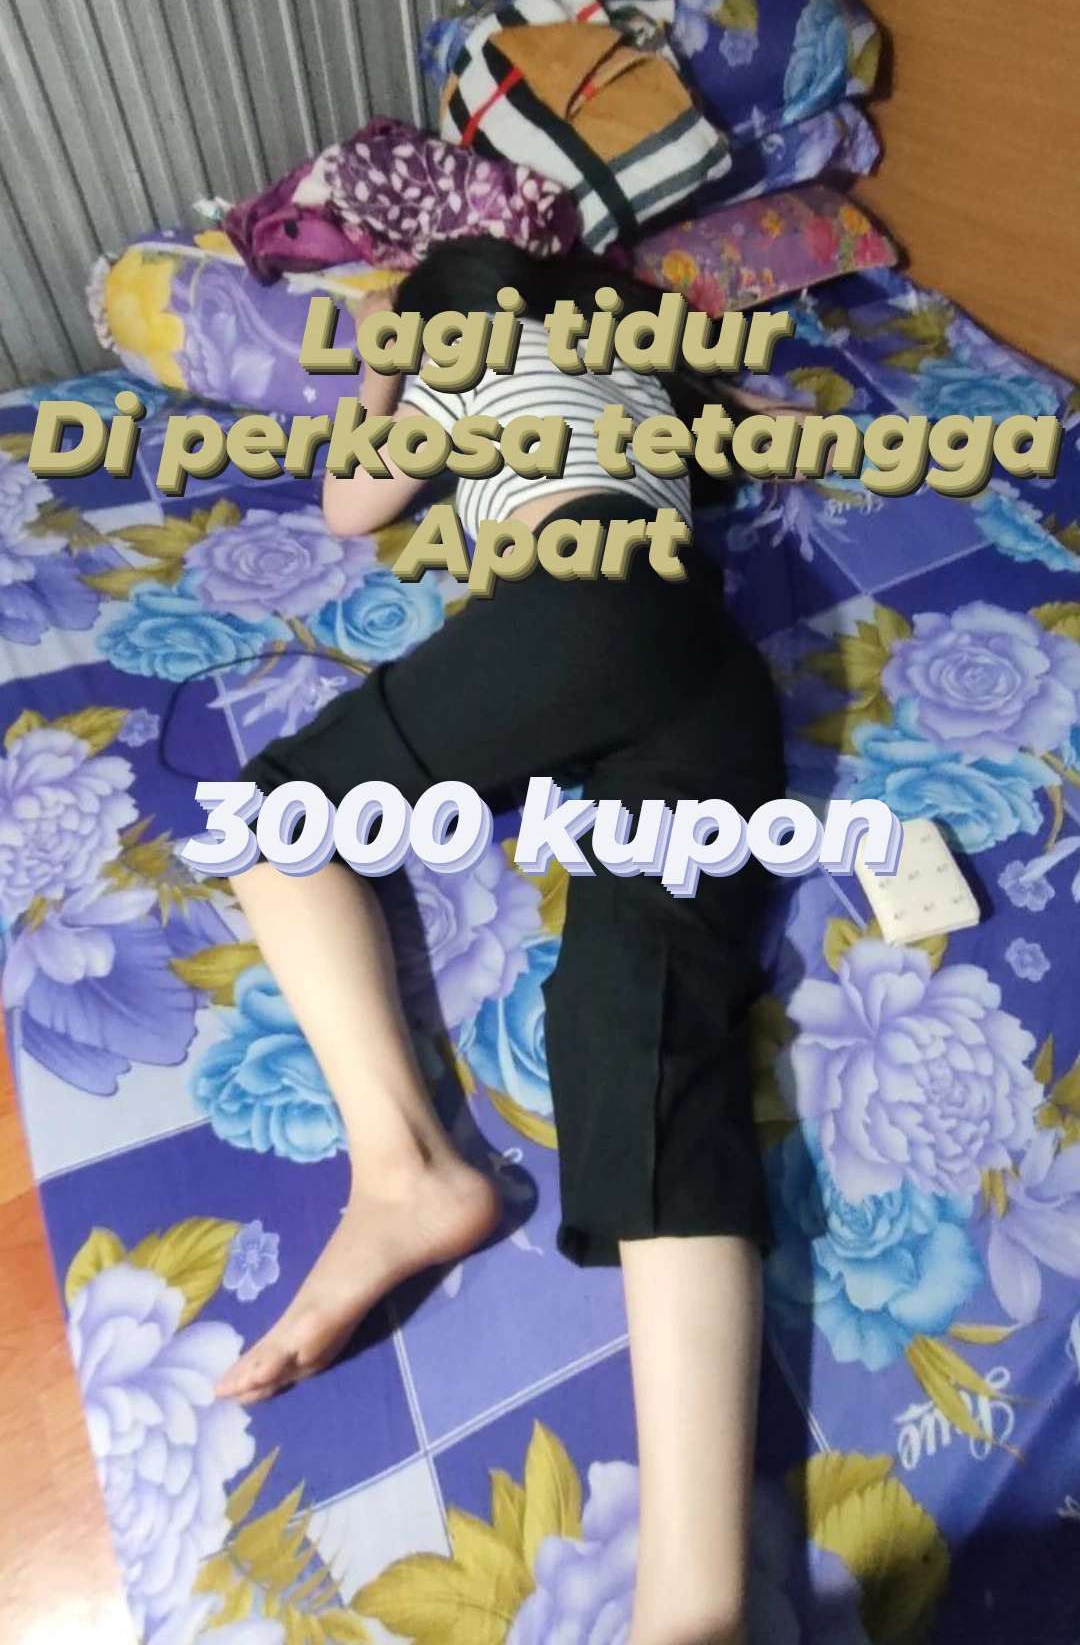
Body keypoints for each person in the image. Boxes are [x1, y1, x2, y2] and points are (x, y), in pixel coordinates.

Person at [216, 235, 788, 1645]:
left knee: (276, 816)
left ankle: (403, 1167)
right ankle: (696, 1606)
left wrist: (391, 370)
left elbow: (348, 506)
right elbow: (769, 429)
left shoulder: (463, 362)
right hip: (710, 661)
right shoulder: (637, 366)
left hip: (586, 615)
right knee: (642, 1033)